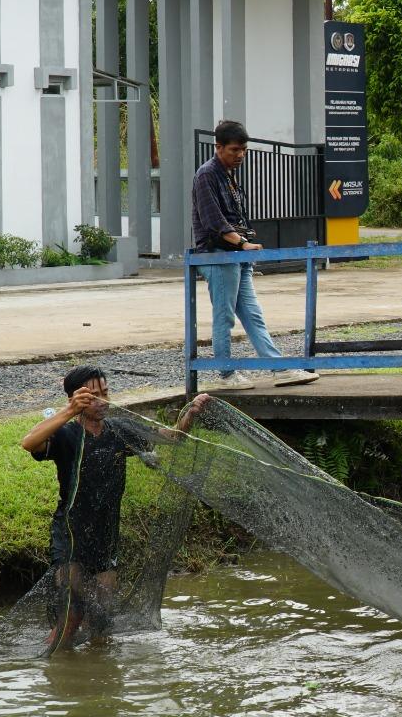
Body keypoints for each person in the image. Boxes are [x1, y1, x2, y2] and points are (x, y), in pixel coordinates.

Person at [19, 366, 209, 650]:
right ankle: (57, 668)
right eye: (93, 395)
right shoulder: (66, 434)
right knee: (70, 615)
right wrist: (69, 411)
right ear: (75, 398)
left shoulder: (119, 430)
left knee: (101, 620)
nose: (102, 401)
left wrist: (190, 412)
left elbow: (172, 438)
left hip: (106, 537)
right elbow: (29, 443)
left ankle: (96, 679)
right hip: (71, 535)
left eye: (105, 393)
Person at [191, 119, 317, 391]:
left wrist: (243, 245)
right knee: (224, 316)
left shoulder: (228, 175)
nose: (240, 155)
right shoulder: (207, 174)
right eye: (235, 150)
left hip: (236, 255)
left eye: (244, 150)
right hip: (218, 255)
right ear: (219, 147)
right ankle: (224, 374)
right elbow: (212, 219)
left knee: (252, 315)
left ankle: (279, 369)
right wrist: (241, 244)